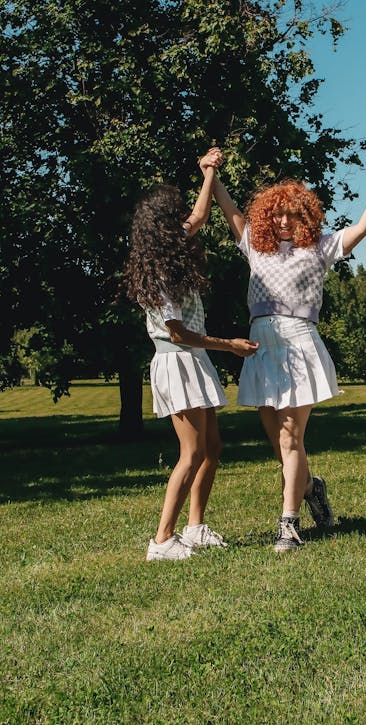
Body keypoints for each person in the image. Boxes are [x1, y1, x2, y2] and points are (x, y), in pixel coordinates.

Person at [212, 169, 366, 552]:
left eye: (292, 214)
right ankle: (310, 488)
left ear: (305, 216)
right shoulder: (255, 244)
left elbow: (363, 227)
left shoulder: (318, 248)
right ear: (267, 216)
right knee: (280, 443)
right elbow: (228, 208)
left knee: (291, 438)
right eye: (277, 214)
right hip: (260, 346)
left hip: (299, 344)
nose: (284, 221)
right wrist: (213, 175)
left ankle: (288, 525)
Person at [124, 148, 258, 562]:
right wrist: (228, 346)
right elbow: (178, 334)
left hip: (193, 359)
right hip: (176, 359)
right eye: (175, 212)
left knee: (212, 447)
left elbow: (200, 216)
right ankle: (162, 540)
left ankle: (194, 528)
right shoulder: (157, 271)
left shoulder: (172, 247)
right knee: (191, 452)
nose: (185, 216)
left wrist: (209, 173)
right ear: (161, 226)